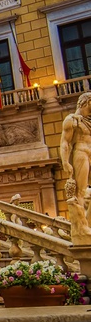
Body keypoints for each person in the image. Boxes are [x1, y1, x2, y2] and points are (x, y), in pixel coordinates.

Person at [60, 92, 91, 235]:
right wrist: (65, 162)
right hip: (81, 152)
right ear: (87, 102)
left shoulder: (88, 120)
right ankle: (81, 225)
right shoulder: (71, 120)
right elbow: (65, 142)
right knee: (82, 190)